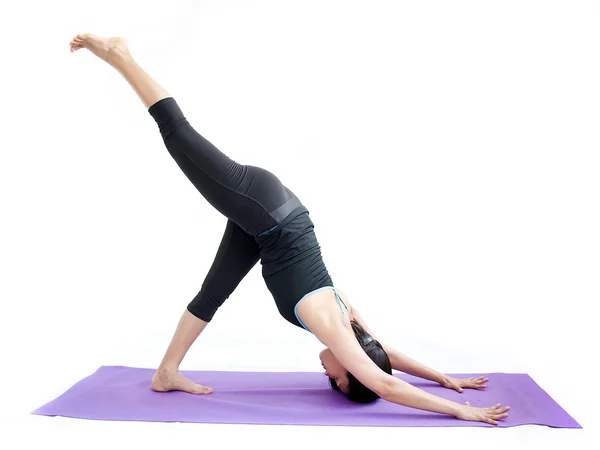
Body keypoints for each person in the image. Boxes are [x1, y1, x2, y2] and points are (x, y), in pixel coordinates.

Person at [69, 33, 510, 425]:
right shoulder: (339, 333)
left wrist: (444, 378)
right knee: (178, 134)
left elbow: (386, 357)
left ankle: (166, 372)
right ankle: (120, 55)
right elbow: (385, 383)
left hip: (271, 222)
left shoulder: (353, 324)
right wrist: (460, 410)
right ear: (350, 368)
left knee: (212, 294)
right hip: (265, 210)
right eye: (339, 382)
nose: (329, 379)